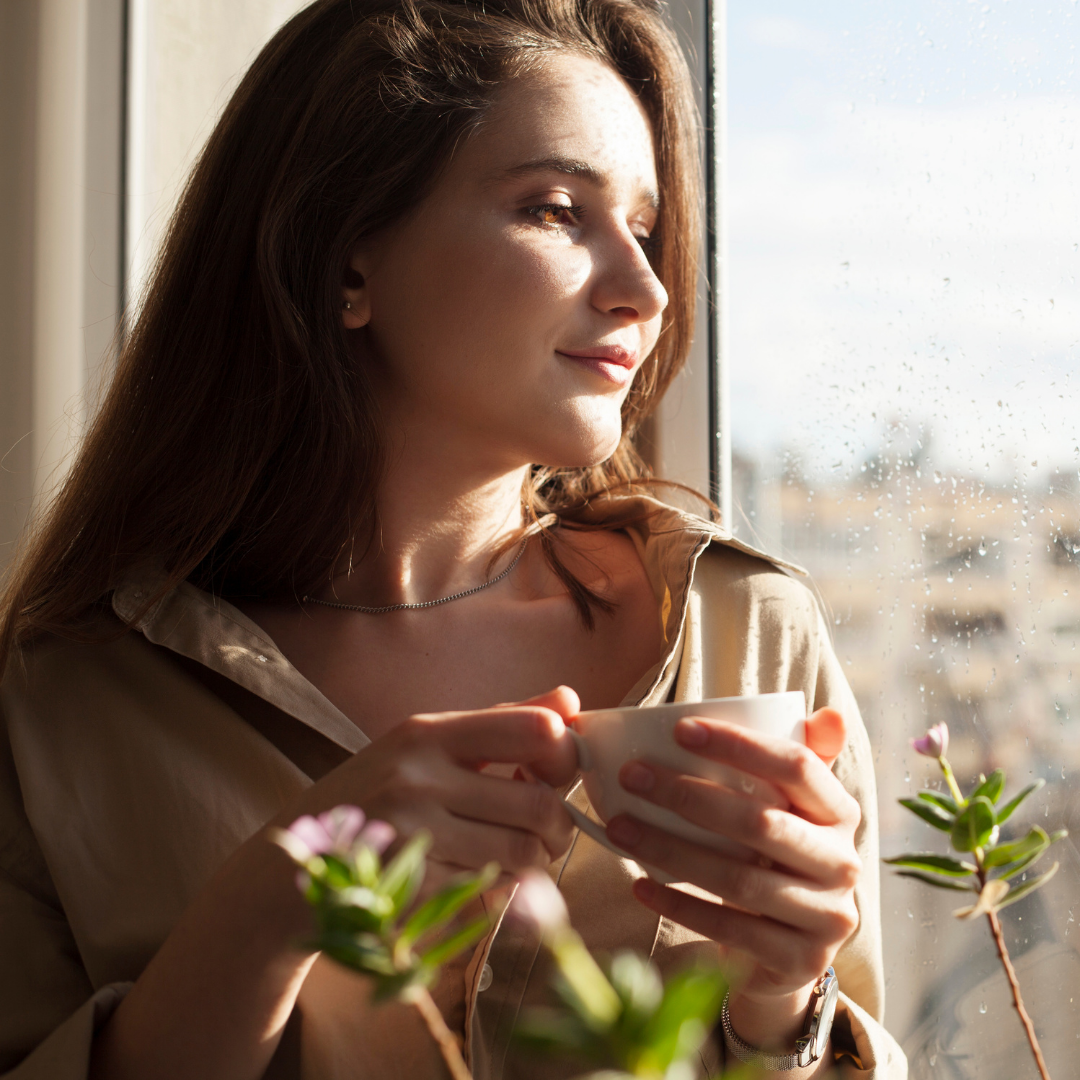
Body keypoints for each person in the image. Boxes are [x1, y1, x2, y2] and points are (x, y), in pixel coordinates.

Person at [0, 1, 906, 1077]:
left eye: (647, 231)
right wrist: (273, 903)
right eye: (558, 211)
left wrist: (786, 1003)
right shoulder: (68, 696)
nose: (646, 290)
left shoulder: (744, 632)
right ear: (344, 264)